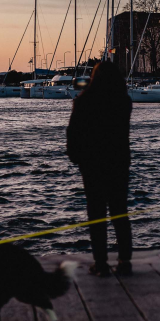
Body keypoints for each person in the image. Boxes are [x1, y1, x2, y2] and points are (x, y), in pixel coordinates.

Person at [66, 60, 133, 277]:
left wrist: (77, 157)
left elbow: (73, 133)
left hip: (92, 165)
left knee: (96, 215)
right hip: (118, 163)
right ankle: (124, 261)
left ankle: (101, 262)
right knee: (120, 213)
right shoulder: (123, 102)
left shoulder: (83, 101)